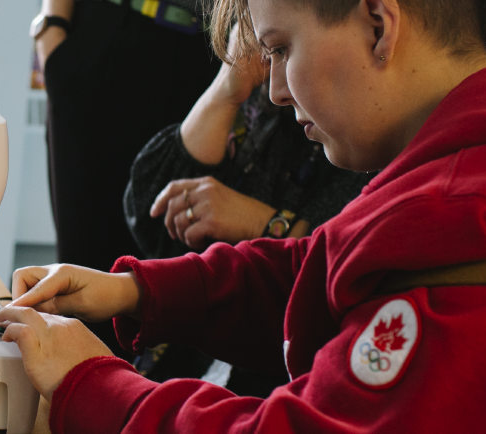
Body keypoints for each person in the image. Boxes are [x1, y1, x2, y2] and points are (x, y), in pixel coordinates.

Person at [0, 0, 486, 431]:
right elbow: (329, 265)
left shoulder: (475, 231)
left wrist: (94, 385)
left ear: (379, 25)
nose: (273, 89)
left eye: (281, 50)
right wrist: (135, 292)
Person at [122, 28, 374, 396]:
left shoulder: (382, 137)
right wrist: (228, 86)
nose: (276, 87)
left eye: (284, 48)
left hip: (274, 388)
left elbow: (352, 269)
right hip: (189, 372)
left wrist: (266, 223)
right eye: (271, 50)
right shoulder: (267, 104)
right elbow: (154, 222)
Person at [36, 0, 221, 356]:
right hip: (107, 37)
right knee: (84, 281)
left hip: (208, 58)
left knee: (174, 291)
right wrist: (51, 26)